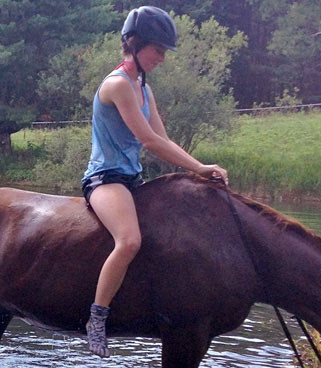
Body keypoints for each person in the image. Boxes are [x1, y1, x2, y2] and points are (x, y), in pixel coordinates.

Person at [80, 6, 228, 358]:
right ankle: (96, 319)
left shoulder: (144, 89)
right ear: (134, 43)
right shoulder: (117, 85)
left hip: (133, 179)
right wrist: (200, 167)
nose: (161, 58)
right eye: (157, 50)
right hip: (106, 179)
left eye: (163, 52)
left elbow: (164, 139)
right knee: (129, 241)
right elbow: (149, 141)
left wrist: (196, 169)